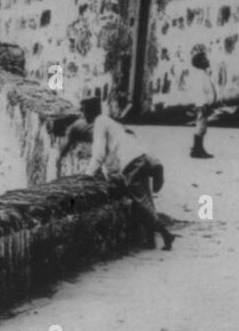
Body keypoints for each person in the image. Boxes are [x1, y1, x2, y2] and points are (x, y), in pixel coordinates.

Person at [58, 95, 176, 251]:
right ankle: (150, 238)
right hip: (141, 157)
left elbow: (98, 154)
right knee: (145, 197)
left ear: (92, 111)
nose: (83, 114)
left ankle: (165, 233)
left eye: (85, 110)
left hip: (130, 163)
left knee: (140, 201)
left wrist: (87, 175)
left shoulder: (99, 123)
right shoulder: (109, 120)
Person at [188, 45, 217, 159]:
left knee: (202, 127)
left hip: (204, 105)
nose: (208, 60)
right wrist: (203, 104)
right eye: (205, 59)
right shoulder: (200, 75)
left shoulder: (203, 74)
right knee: (201, 127)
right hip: (202, 105)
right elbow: (200, 91)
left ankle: (197, 148)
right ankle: (197, 149)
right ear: (200, 62)